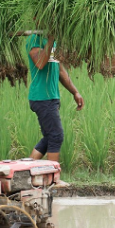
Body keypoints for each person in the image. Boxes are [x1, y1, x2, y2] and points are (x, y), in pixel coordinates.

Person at [26, 33, 84, 178]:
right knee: (56, 136)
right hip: (41, 97)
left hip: (52, 97)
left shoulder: (51, 41)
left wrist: (75, 92)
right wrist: (51, 39)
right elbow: (40, 63)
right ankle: (53, 178)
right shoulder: (34, 39)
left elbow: (60, 70)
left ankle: (26, 173)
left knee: (49, 138)